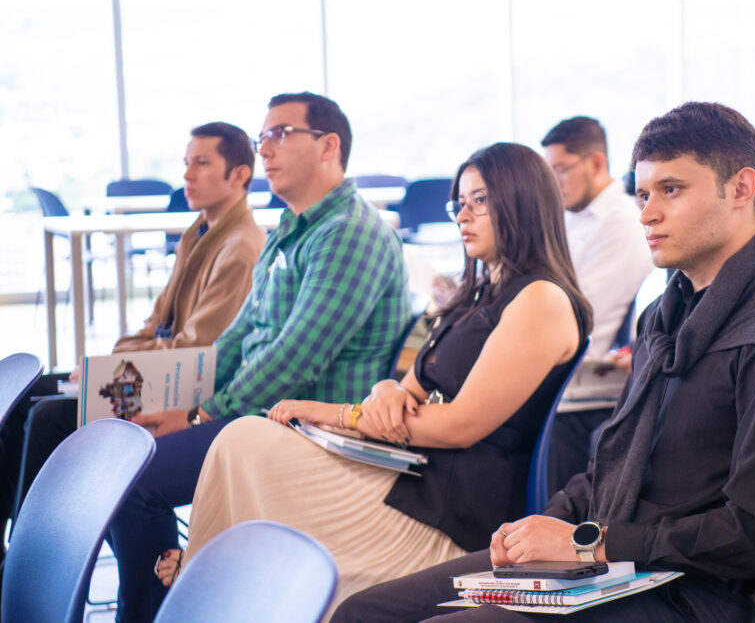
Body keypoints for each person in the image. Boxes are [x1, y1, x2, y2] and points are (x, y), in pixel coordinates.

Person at [334, 102, 755, 622]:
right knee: (364, 611)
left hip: (686, 592)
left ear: (742, 189)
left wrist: (586, 543)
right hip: (611, 562)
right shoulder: (665, 317)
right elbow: (608, 467)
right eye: (643, 194)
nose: (647, 213)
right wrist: (539, 529)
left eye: (672, 190)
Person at [156, 142, 592, 616]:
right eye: (459, 203)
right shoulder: (482, 291)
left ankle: (206, 577)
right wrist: (387, 390)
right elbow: (411, 385)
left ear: (522, 200)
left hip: (445, 513)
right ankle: (212, 576)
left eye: (480, 200)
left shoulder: (541, 300)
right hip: (408, 475)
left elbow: (461, 425)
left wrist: (339, 413)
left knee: (243, 441)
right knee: (242, 440)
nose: (463, 215)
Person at [107, 92, 410, 622]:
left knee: (133, 485)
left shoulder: (350, 233)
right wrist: (178, 401)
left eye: (279, 134)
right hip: (261, 417)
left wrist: (200, 415)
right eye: (261, 137)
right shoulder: (291, 230)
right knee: (113, 444)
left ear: (329, 146)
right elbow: (238, 338)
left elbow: (295, 360)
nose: (264, 149)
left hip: (311, 432)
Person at [0, 121, 266, 552]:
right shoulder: (198, 232)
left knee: (49, 415)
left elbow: (196, 351)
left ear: (239, 174)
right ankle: (10, 549)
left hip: (175, 387)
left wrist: (114, 368)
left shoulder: (240, 247)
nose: (187, 175)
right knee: (26, 397)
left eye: (201, 163)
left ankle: (30, 554)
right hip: (153, 371)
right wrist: (112, 363)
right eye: (186, 163)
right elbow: (155, 323)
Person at [540, 116, 652, 493]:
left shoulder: (620, 223)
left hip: (591, 378)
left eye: (561, 169)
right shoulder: (573, 216)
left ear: (597, 163)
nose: (555, 182)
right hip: (570, 367)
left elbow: (576, 318)